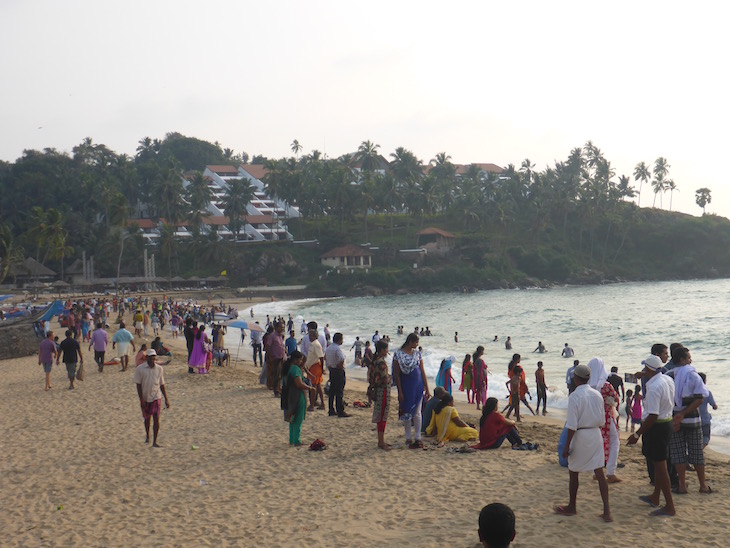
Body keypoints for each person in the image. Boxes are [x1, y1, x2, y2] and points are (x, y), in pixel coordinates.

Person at [555, 363, 612, 522]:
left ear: (576, 379)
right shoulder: (597, 394)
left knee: (574, 472)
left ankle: (572, 506)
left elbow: (572, 425)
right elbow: (601, 419)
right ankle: (607, 511)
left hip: (580, 434)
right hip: (595, 434)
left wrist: (566, 447)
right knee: (599, 472)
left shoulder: (574, 396)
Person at [628, 354, 676, 516]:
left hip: (657, 426)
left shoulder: (653, 387)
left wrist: (637, 434)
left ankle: (669, 506)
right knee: (658, 464)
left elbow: (653, 415)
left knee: (660, 467)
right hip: (667, 422)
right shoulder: (666, 379)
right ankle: (656, 497)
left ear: (648, 369)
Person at [667, 346, 712, 494]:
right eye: (688, 357)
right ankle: (703, 486)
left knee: (678, 454)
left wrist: (677, 416)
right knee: (697, 453)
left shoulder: (668, 375)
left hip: (674, 421)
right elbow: (699, 399)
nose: (690, 360)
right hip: (692, 420)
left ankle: (681, 486)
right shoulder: (693, 375)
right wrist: (685, 412)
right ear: (682, 360)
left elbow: (666, 400)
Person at [587, 357, 621, 483]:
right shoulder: (605, 386)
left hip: (591, 418)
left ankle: (597, 471)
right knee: (614, 442)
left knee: (598, 444)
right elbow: (616, 399)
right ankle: (611, 472)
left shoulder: (587, 386)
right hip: (606, 417)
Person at [393, 333, 430, 449]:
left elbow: (422, 371)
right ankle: (408, 437)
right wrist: (399, 391)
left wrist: (427, 388)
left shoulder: (417, 354)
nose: (417, 344)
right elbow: (397, 374)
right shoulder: (398, 355)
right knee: (406, 412)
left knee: (417, 412)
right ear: (410, 342)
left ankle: (418, 437)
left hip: (417, 386)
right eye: (416, 342)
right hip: (406, 386)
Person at [134, 349, 170, 447]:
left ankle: (155, 441)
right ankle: (147, 435)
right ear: (146, 358)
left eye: (153, 357)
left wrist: (166, 399)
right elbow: (138, 385)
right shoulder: (140, 369)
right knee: (147, 418)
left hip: (156, 396)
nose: (152, 359)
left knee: (156, 418)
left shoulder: (159, 369)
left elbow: (162, 384)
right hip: (145, 397)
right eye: (150, 357)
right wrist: (141, 399)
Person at [282, 351, 315, 446]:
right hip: (297, 395)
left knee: (292, 418)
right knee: (298, 418)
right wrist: (310, 388)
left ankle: (292, 439)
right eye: (300, 360)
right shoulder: (295, 369)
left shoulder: (287, 367)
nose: (301, 362)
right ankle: (296, 440)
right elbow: (299, 384)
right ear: (295, 360)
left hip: (289, 396)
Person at [368, 339, 391, 450]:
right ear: (382, 350)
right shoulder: (381, 362)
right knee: (382, 415)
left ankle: (381, 441)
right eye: (386, 349)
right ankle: (381, 442)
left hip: (377, 390)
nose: (387, 351)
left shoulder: (375, 360)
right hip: (383, 390)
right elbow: (384, 379)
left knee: (380, 415)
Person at [325, 332, 349, 417]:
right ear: (339, 340)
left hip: (332, 370)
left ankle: (331, 409)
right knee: (339, 391)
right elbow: (342, 358)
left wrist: (329, 366)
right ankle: (340, 411)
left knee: (332, 391)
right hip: (338, 370)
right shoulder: (337, 349)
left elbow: (326, 358)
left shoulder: (329, 348)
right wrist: (340, 365)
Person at [303, 328, 326, 411]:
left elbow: (321, 357)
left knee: (313, 386)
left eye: (310, 336)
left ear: (314, 336)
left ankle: (312, 405)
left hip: (316, 367)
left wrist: (322, 368)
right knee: (318, 386)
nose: (309, 337)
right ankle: (322, 404)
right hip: (312, 367)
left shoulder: (316, 345)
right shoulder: (312, 344)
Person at [265, 321, 286, 396]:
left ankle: (278, 389)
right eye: (281, 327)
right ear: (277, 327)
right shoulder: (272, 336)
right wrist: (271, 356)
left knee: (280, 374)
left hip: (281, 357)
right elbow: (268, 346)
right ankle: (276, 391)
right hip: (275, 358)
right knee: (276, 375)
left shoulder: (280, 336)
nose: (282, 328)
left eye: (283, 327)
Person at [698, 372, 718, 448]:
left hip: (695, 419)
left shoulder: (692, 392)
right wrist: (715, 406)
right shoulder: (707, 392)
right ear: (704, 381)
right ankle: (700, 450)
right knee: (705, 437)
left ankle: (697, 450)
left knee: (696, 438)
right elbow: (714, 406)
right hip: (705, 419)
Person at [472, 346, 488, 410]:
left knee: (478, 392)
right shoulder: (480, 360)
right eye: (483, 351)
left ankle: (478, 405)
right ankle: (483, 405)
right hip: (481, 377)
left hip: (477, 377)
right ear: (481, 351)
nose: (483, 352)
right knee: (483, 392)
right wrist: (483, 380)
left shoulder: (475, 360)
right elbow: (481, 371)